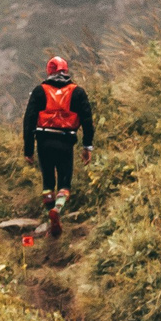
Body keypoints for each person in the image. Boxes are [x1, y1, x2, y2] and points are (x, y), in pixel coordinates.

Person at [22, 55, 94, 228]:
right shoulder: (77, 92)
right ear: (66, 71)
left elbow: (29, 120)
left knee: (48, 181)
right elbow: (87, 121)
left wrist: (28, 149)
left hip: (44, 141)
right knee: (64, 181)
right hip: (66, 142)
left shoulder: (40, 91)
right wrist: (87, 146)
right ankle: (59, 209)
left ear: (49, 72)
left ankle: (50, 217)